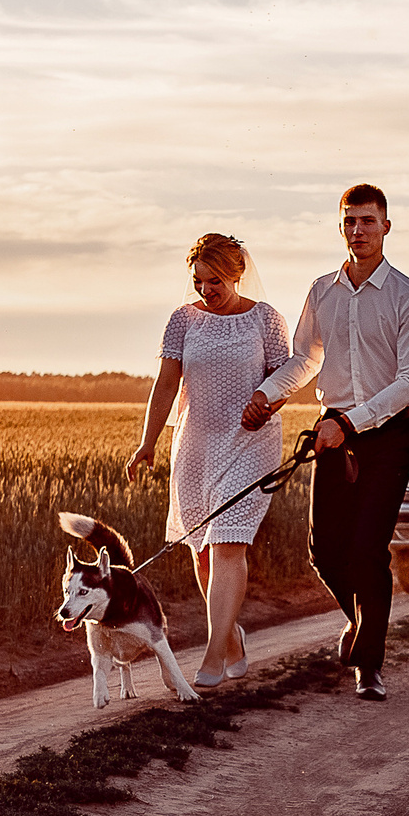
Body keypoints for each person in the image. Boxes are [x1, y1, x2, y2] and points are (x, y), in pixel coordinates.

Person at [240, 184, 409, 701]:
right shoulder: (322, 290)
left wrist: (349, 423)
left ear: (386, 227)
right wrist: (265, 394)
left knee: (367, 551)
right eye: (349, 221)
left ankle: (369, 664)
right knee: (324, 550)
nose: (357, 231)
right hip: (334, 432)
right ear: (340, 226)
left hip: (388, 435)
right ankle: (364, 622)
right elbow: (305, 359)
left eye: (367, 222)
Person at [128, 232, 291, 685]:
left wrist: (266, 403)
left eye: (215, 280)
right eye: (199, 280)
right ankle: (231, 636)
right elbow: (165, 384)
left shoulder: (265, 320)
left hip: (249, 444)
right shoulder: (182, 321)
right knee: (202, 553)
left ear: (236, 275)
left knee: (228, 544)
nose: (206, 290)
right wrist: (148, 442)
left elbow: (284, 376)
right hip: (196, 445)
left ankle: (213, 656)